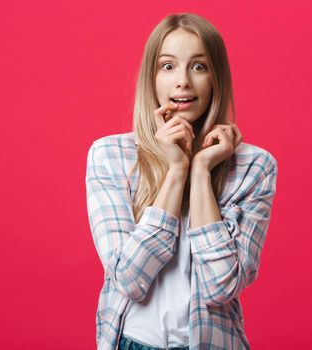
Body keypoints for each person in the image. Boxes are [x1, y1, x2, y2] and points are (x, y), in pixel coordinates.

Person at [86, 12, 278, 350]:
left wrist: (201, 169)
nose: (183, 82)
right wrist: (176, 171)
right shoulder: (110, 155)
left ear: (217, 77)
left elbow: (221, 286)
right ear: (152, 76)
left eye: (199, 67)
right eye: (168, 66)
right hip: (131, 342)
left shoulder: (253, 166)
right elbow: (129, 279)